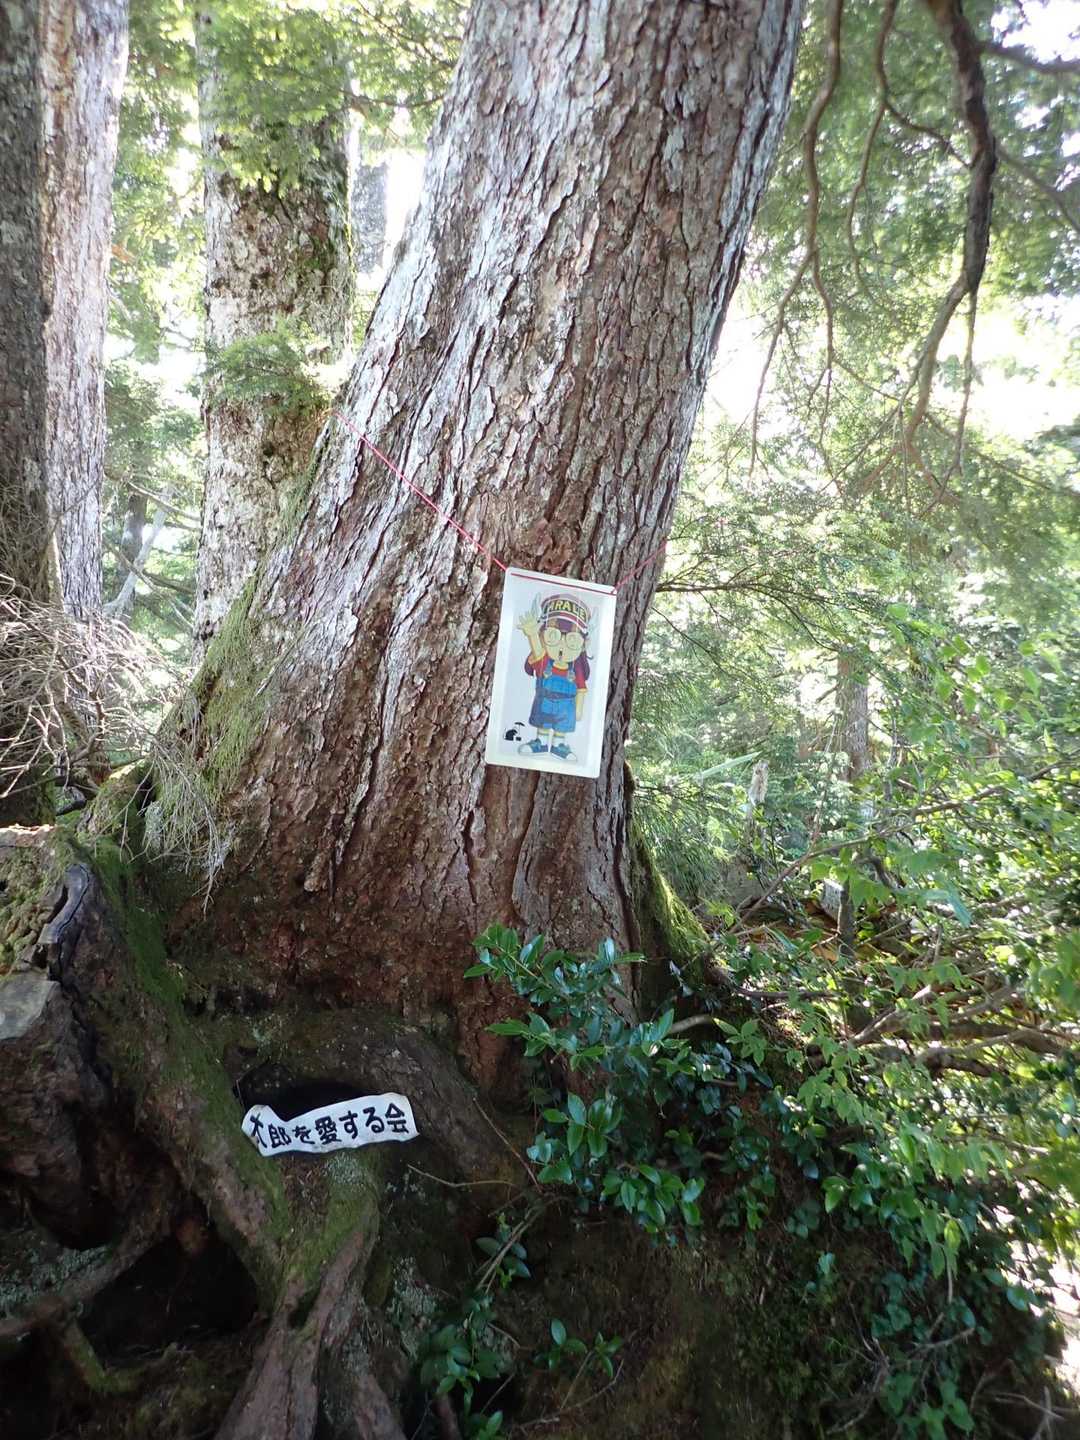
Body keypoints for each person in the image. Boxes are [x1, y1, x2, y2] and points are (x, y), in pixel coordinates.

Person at [516, 594, 591, 759]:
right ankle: (541, 743)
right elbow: (537, 650)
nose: (562, 645)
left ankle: (558, 746)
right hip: (544, 703)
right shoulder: (544, 662)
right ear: (543, 636)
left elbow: (581, 689)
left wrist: (579, 709)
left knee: (561, 729)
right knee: (542, 725)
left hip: (566, 709)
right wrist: (532, 634)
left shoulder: (576, 670)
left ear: (583, 644)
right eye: (553, 636)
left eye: (572, 639)